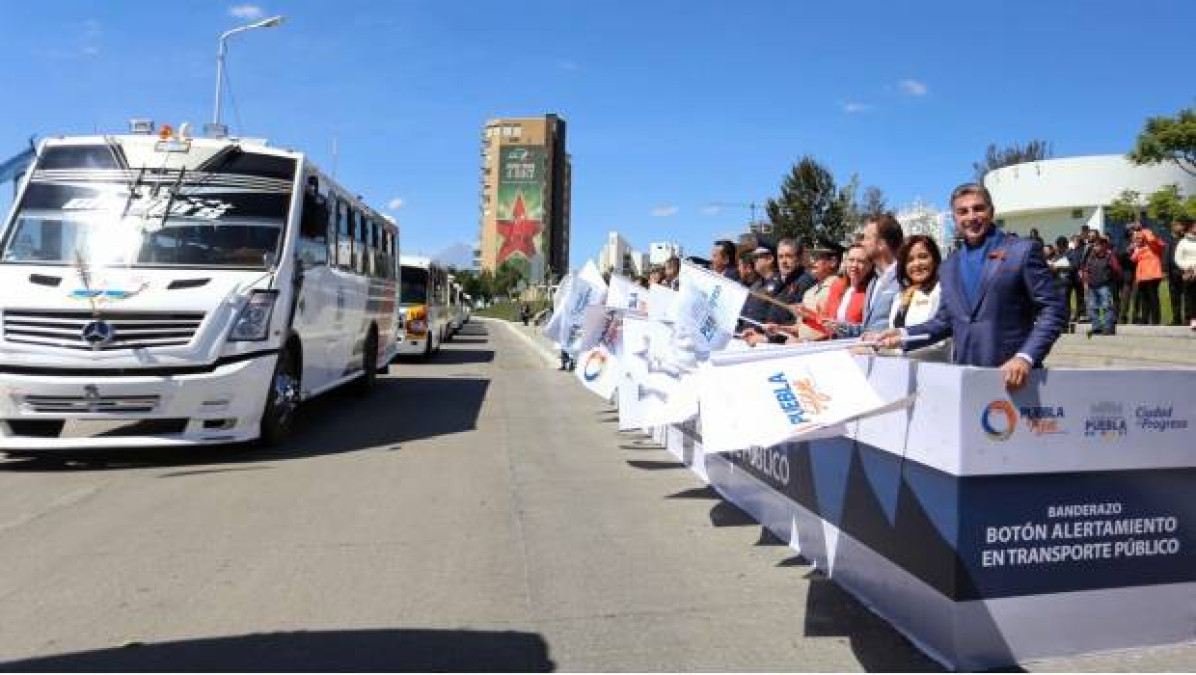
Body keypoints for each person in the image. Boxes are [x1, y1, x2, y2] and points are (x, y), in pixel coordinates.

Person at [870, 183, 1066, 391]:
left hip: (1015, 381)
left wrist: (1025, 357)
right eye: (962, 211)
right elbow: (943, 322)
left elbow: (1054, 310)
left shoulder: (1022, 251)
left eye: (979, 208)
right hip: (967, 381)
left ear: (992, 211)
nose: (971, 217)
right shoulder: (949, 267)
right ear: (954, 218)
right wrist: (902, 335)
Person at [834, 213, 904, 336]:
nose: (862, 243)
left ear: (881, 244)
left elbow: (902, 330)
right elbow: (868, 329)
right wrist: (841, 327)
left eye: (866, 238)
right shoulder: (873, 282)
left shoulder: (903, 279)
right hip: (868, 353)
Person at [888, 235, 950, 361]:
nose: (916, 264)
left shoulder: (942, 290)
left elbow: (941, 340)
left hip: (934, 371)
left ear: (934, 259)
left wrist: (898, 346)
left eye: (923, 257)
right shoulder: (900, 296)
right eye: (910, 260)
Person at [1080, 235, 1122, 336]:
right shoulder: (1091, 257)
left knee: (1107, 307)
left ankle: (1108, 328)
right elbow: (1086, 270)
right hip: (1092, 286)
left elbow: (1117, 270)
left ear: (1103, 246)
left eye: (1097, 246)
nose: (1095, 248)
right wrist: (1085, 282)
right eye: (1094, 246)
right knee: (1092, 308)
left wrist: (1112, 280)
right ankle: (1096, 327)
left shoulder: (1109, 256)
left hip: (1104, 286)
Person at [825, 243, 873, 327]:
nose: (854, 265)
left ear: (870, 265)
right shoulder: (837, 286)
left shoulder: (871, 291)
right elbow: (827, 321)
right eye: (851, 260)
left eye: (860, 261)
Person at [1129, 223, 1164, 325]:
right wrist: (1135, 248)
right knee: (1144, 298)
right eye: (1136, 238)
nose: (1137, 240)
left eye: (1139, 238)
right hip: (1142, 277)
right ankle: (1144, 319)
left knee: (1153, 297)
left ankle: (1155, 320)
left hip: (1153, 275)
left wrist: (1143, 230)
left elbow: (1155, 241)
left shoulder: (1153, 246)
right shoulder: (1138, 249)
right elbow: (1133, 259)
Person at [1165, 221, 1186, 325]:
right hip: (1174, 272)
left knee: (1187, 296)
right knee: (1175, 297)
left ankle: (1187, 318)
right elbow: (1167, 257)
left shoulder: (1185, 241)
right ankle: (1177, 318)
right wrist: (1165, 270)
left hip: (1185, 271)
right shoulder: (1170, 241)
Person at [1175, 220, 1196, 330]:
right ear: (1190, 228)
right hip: (1189, 272)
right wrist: (1187, 267)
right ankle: (1193, 319)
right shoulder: (1183, 242)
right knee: (1191, 296)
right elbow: (1178, 258)